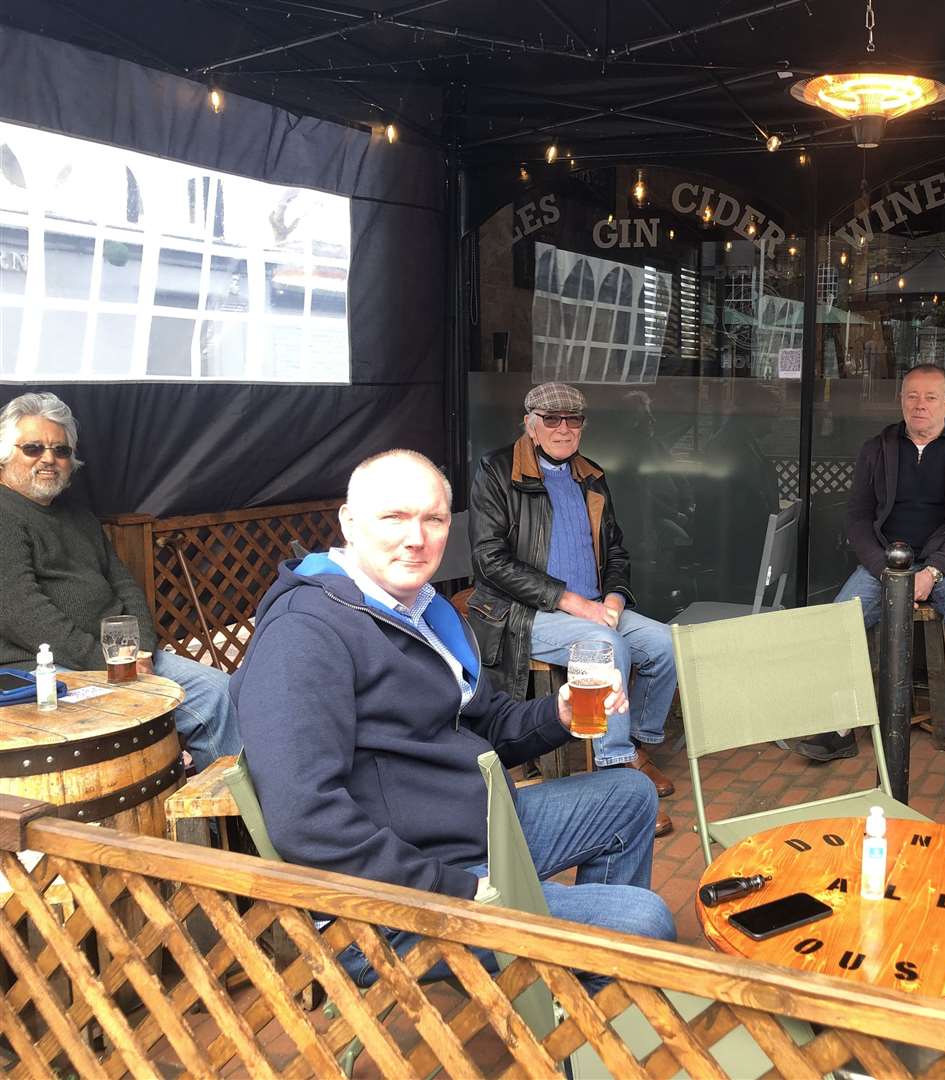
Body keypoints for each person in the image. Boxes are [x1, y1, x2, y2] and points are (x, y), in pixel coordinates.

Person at [230, 450, 674, 987]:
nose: (415, 537)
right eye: (393, 517)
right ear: (349, 522)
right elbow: (307, 819)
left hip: (474, 829)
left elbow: (488, 723)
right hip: (393, 902)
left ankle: (560, 989)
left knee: (629, 796)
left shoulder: (425, 611)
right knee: (642, 923)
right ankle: (566, 985)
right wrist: (459, 891)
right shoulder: (305, 633)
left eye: (433, 519)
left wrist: (558, 714)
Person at [468, 383, 678, 837]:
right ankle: (616, 770)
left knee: (663, 644)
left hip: (594, 605)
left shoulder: (591, 474)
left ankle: (635, 743)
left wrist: (616, 597)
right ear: (530, 423)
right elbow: (490, 561)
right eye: (552, 419)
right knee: (604, 646)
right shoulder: (496, 470)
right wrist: (572, 602)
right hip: (521, 612)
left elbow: (616, 551)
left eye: (573, 420)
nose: (563, 429)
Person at [0, 392, 239, 771]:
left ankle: (229, 820)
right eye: (33, 447)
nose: (49, 459)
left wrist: (140, 651)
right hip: (45, 669)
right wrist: (107, 662)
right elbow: (21, 611)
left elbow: (124, 585)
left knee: (221, 691)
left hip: (124, 659)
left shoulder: (77, 514)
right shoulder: (4, 513)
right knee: (126, 730)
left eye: (61, 450)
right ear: (4, 453)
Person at [789, 364, 945, 761]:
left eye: (931, 397)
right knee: (838, 622)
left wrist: (934, 571)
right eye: (912, 396)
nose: (920, 406)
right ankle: (839, 729)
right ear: (900, 400)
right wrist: (883, 570)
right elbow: (859, 519)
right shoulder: (878, 448)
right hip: (886, 561)